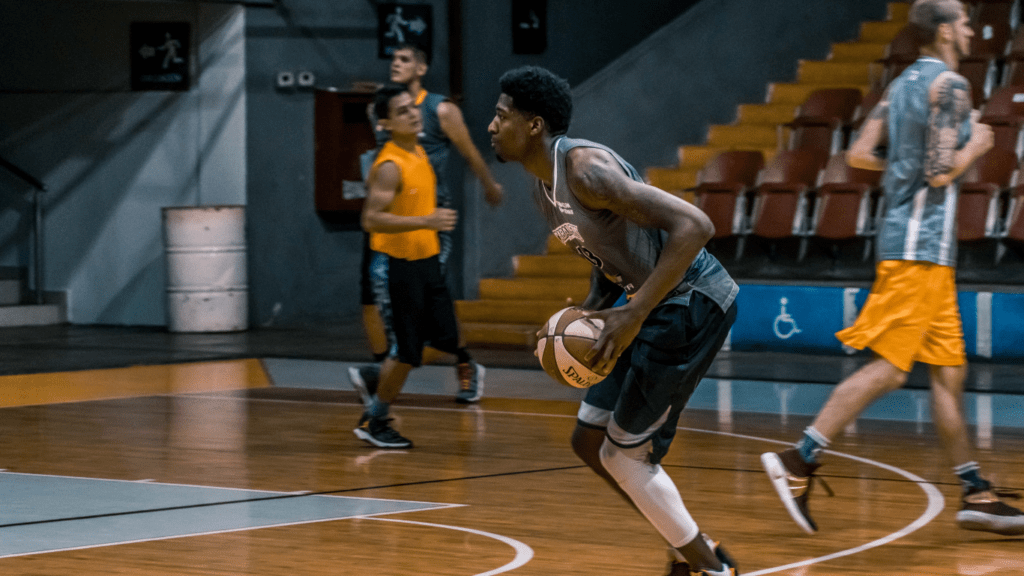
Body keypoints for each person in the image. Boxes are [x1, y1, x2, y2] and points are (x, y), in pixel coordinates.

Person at [761, 0, 1024, 537]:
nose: (973, 30)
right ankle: (799, 459)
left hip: (915, 249)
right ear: (946, 30)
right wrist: (976, 144)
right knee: (893, 368)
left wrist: (901, 168)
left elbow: (857, 154)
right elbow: (940, 173)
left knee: (949, 374)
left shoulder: (900, 84)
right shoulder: (950, 87)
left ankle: (976, 492)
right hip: (918, 250)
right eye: (967, 23)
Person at [489, 65, 740, 576]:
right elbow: (607, 262)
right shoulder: (544, 187)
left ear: (534, 124)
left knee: (624, 457)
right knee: (588, 443)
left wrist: (633, 312)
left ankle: (713, 567)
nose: (491, 126)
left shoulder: (585, 170)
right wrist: (587, 313)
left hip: (689, 305)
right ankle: (688, 542)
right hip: (647, 307)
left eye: (501, 115)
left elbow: (696, 225)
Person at [351, 42, 503, 405]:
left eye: (404, 59)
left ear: (421, 68)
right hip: (393, 212)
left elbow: (469, 151)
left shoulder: (437, 110)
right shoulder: (389, 111)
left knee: (430, 304)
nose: (395, 64)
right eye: (393, 58)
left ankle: (463, 364)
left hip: (429, 214)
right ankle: (380, 373)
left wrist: (489, 184)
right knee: (370, 298)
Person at [355, 83, 483, 449]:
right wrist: (425, 222)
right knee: (407, 350)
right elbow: (372, 220)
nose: (412, 114)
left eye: (413, 108)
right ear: (385, 124)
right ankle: (375, 419)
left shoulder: (420, 155)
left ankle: (375, 376)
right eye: (402, 112)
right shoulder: (390, 165)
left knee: (447, 337)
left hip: (426, 264)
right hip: (397, 266)